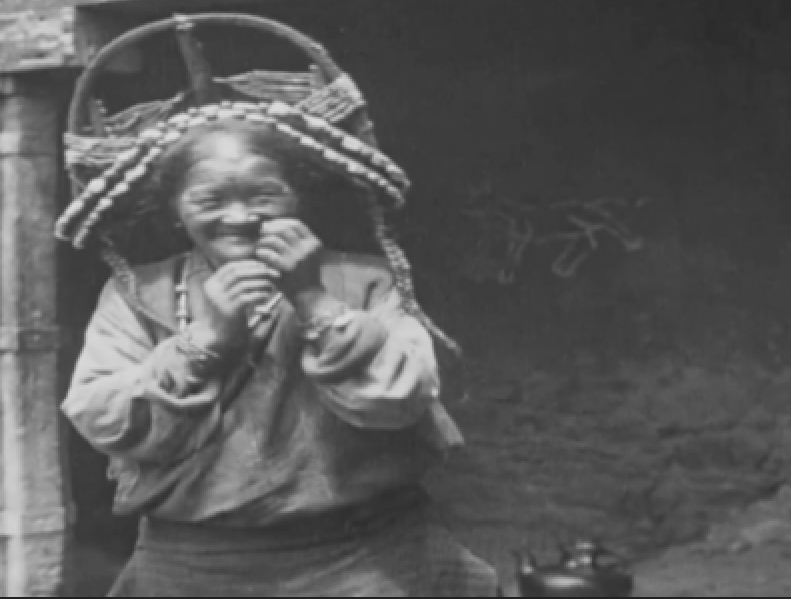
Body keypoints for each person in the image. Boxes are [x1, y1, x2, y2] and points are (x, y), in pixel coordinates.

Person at [59, 101, 499, 596]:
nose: (240, 217)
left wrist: (312, 297)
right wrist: (206, 340)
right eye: (210, 201)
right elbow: (101, 415)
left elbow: (401, 398)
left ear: (299, 197)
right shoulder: (139, 294)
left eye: (264, 195)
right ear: (177, 211)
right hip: (192, 570)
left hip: (367, 561)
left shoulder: (367, 280)